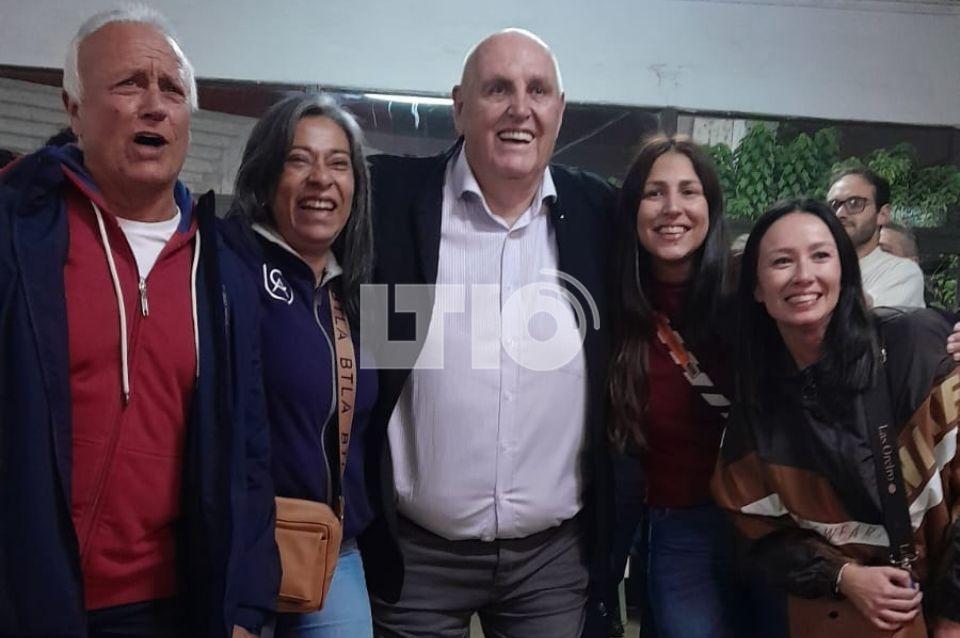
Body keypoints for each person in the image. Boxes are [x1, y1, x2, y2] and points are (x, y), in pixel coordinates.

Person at [0, 7, 278, 637]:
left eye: (172, 89)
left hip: (167, 608)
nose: (155, 105)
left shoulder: (225, 267)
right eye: (128, 84)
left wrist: (246, 609)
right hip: (26, 601)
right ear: (74, 110)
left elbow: (249, 451)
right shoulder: (17, 233)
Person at [360, 28, 616, 637]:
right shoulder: (389, 201)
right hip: (416, 556)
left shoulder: (598, 214)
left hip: (550, 562)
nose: (519, 108)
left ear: (560, 110)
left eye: (538, 91)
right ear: (459, 106)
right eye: (497, 89)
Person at [713, 199, 960, 637]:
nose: (803, 275)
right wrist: (843, 576)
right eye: (782, 261)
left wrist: (950, 618)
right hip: (843, 615)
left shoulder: (915, 349)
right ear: (757, 287)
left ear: (845, 270)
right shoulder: (761, 399)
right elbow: (755, 533)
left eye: (821, 255)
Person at [223, 93, 377, 638]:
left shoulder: (357, 290)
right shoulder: (228, 266)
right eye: (298, 159)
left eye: (338, 163)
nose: (321, 179)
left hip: (330, 548)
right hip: (239, 546)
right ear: (266, 177)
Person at [608, 134, 759, 638]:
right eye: (654, 193)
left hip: (770, 518)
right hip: (677, 519)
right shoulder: (612, 301)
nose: (672, 208)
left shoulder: (751, 289)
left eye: (689, 192)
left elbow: (841, 322)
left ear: (711, 206)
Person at [827, 169, 925, 308]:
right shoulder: (812, 267)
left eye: (855, 203)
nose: (840, 213)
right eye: (834, 205)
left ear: (882, 214)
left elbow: (863, 319)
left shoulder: (902, 272)